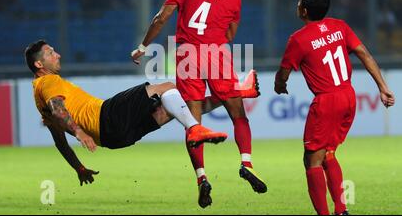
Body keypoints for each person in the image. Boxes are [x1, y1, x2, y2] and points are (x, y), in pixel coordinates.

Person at [131, 0, 267, 208]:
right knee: (238, 112)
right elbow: (230, 36)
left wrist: (144, 47)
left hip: (187, 54)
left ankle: (201, 178)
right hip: (216, 53)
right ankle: (246, 163)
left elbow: (162, 17)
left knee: (193, 123)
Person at [24, 40, 259, 187]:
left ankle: (237, 92)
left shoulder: (38, 98)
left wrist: (79, 167)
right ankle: (197, 126)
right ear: (38, 65)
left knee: (176, 108)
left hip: (113, 140)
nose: (58, 55)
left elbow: (59, 140)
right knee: (167, 87)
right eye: (50, 53)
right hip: (106, 115)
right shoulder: (48, 82)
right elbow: (58, 108)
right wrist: (79, 132)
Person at [274, 0, 395, 215]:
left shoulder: (298, 39)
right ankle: (341, 210)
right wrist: (383, 87)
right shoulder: (340, 26)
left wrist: (279, 85)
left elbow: (284, 72)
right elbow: (364, 54)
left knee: (312, 161)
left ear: (305, 10)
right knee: (328, 152)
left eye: (300, 1)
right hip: (349, 96)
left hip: (327, 101)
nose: (297, 5)